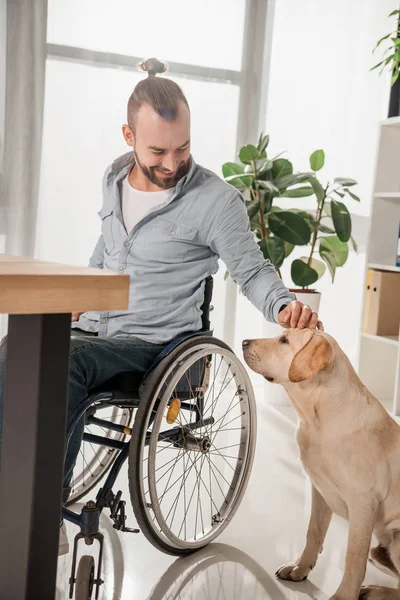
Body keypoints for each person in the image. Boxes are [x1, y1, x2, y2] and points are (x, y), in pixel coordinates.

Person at [0, 57, 322, 556]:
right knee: (15, 348)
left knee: (65, 363)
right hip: (100, 328)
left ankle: (39, 517)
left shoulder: (216, 201)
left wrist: (283, 307)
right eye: (157, 151)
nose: (172, 164)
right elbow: (105, 254)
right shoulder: (113, 178)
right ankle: (12, 489)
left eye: (183, 148)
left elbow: (253, 270)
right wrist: (74, 300)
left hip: (156, 346)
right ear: (128, 136)